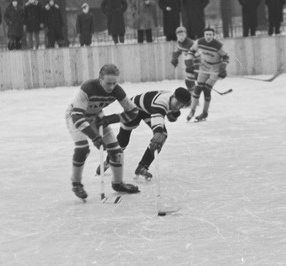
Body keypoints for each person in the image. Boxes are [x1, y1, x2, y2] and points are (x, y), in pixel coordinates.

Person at [65, 63, 141, 200]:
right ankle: (76, 183)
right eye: (108, 83)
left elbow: (133, 111)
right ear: (100, 80)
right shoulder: (88, 87)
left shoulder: (117, 90)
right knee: (82, 149)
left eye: (114, 83)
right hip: (76, 116)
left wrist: (111, 119)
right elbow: (77, 116)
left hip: (96, 116)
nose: (111, 87)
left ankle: (118, 184)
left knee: (116, 152)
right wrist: (94, 137)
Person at [99, 87, 192, 181]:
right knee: (123, 140)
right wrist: (158, 133)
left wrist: (173, 114)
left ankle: (143, 166)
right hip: (134, 109)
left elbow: (165, 112)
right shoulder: (160, 103)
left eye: (182, 105)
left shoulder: (171, 100)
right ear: (173, 96)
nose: (179, 106)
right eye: (178, 103)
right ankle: (109, 160)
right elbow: (157, 121)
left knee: (162, 136)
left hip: (148, 110)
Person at [186, 27, 229, 122]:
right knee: (198, 89)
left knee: (206, 89)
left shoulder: (218, 45)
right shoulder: (199, 42)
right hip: (204, 67)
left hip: (215, 69)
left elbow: (226, 57)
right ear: (204, 35)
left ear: (213, 36)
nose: (208, 36)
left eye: (210, 34)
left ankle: (205, 112)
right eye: (207, 34)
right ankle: (192, 110)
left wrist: (222, 69)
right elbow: (191, 51)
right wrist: (189, 63)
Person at [170, 25, 199, 92]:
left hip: (197, 63)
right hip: (190, 64)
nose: (181, 37)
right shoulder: (180, 43)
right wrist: (174, 58)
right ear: (176, 36)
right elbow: (177, 51)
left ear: (186, 35)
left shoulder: (191, 43)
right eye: (179, 35)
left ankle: (197, 92)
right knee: (189, 81)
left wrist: (194, 66)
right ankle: (193, 93)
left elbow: (197, 56)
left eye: (183, 35)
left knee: (197, 80)